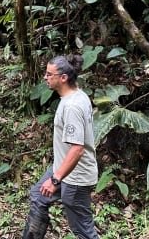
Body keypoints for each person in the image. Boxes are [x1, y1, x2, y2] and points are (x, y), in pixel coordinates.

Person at [22, 54, 99, 239]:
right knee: (39, 196)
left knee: (83, 230)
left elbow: (77, 149)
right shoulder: (75, 95)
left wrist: (55, 180)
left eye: (49, 74)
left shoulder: (72, 106)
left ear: (63, 78)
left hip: (76, 177)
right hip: (64, 168)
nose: (45, 77)